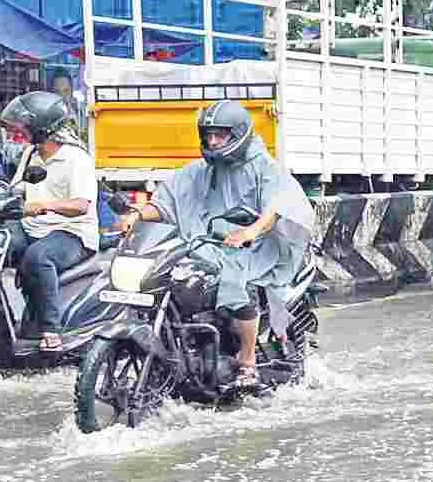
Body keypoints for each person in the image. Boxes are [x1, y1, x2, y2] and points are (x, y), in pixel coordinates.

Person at [116, 100, 315, 387]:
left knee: (236, 282)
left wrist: (250, 232)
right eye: (208, 135)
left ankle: (247, 361)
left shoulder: (264, 168)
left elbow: (274, 209)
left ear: (238, 134)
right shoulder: (200, 170)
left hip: (257, 247)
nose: (212, 141)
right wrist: (136, 214)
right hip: (205, 243)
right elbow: (167, 202)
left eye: (219, 135)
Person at [0, 91, 99, 351]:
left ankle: (51, 329)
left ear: (41, 129)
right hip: (33, 228)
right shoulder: (31, 154)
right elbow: (16, 189)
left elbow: (81, 206)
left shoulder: (76, 160)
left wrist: (44, 206)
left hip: (72, 233)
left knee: (37, 257)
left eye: (23, 128)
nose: (18, 133)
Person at [51, 71, 87, 141]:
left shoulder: (81, 111)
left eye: (66, 91)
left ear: (72, 90)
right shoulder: (49, 118)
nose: (62, 96)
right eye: (57, 91)